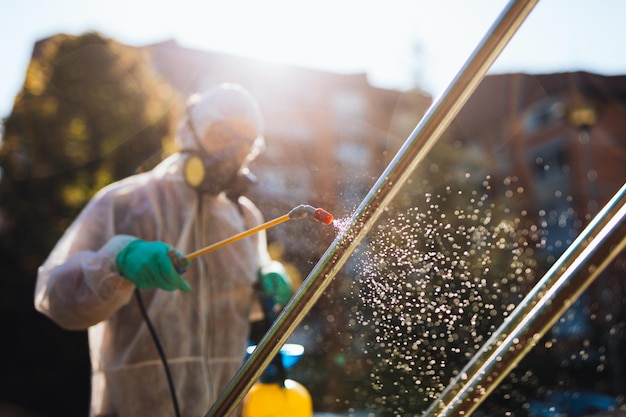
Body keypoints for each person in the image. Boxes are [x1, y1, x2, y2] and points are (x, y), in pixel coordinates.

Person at [34, 83, 291, 417]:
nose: (231, 150)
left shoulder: (245, 218)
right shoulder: (125, 203)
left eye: (244, 140)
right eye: (219, 133)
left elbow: (242, 305)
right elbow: (55, 298)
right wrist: (117, 260)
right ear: (189, 130)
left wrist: (267, 286)